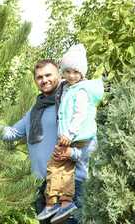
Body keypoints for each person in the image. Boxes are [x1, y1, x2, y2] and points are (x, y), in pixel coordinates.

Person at [0, 59, 97, 224]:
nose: (44, 80)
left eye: (48, 75)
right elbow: (12, 133)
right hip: (41, 188)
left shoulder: (74, 103)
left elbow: (93, 142)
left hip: (69, 186)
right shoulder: (34, 111)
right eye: (39, 77)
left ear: (59, 75)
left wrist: (71, 153)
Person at [37, 45, 104, 223]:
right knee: (57, 167)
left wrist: (68, 134)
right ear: (62, 73)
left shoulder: (81, 91)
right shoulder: (67, 88)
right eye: (67, 71)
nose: (71, 75)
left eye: (75, 72)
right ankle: (55, 204)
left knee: (60, 167)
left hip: (76, 141)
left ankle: (61, 204)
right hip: (69, 137)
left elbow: (80, 115)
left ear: (82, 72)